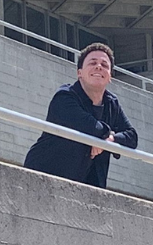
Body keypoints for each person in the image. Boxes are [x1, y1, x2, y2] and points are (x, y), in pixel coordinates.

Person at [23, 43, 138, 189]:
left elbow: (132, 137)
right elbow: (91, 127)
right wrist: (106, 136)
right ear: (79, 73)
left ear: (110, 76)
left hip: (86, 187)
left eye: (104, 65)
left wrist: (110, 140)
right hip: (42, 178)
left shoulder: (112, 104)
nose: (98, 67)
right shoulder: (64, 97)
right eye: (92, 63)